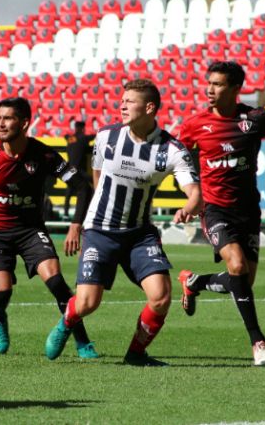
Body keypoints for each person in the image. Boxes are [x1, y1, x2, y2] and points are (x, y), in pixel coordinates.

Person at [44, 79, 201, 366]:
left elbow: (195, 193)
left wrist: (189, 205)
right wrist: (85, 222)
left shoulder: (172, 150)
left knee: (161, 297)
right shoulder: (106, 136)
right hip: (100, 230)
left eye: (130, 101)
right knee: (88, 303)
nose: (122, 105)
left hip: (139, 234)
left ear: (149, 107)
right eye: (122, 99)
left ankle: (136, 354)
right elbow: (97, 179)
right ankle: (66, 321)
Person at [175, 61, 265, 366]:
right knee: (236, 266)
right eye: (209, 82)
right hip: (214, 208)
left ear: (235, 89)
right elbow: (175, 159)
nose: (210, 89)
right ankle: (257, 340)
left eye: (218, 84)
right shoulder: (194, 125)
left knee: (243, 281)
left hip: (248, 210)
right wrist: (191, 196)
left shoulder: (255, 118)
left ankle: (194, 282)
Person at [0, 97, 99, 358]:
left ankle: (82, 341)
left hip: (30, 231)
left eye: (8, 118)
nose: (1, 124)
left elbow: (83, 187)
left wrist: (75, 225)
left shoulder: (43, 154)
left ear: (24, 123)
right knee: (2, 291)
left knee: (58, 283)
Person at [63, 121, 95, 219]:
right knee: (94, 185)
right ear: (83, 129)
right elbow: (94, 137)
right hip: (78, 170)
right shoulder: (84, 138)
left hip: (70, 169)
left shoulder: (70, 138)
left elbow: (66, 136)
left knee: (69, 190)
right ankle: (93, 210)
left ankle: (65, 213)